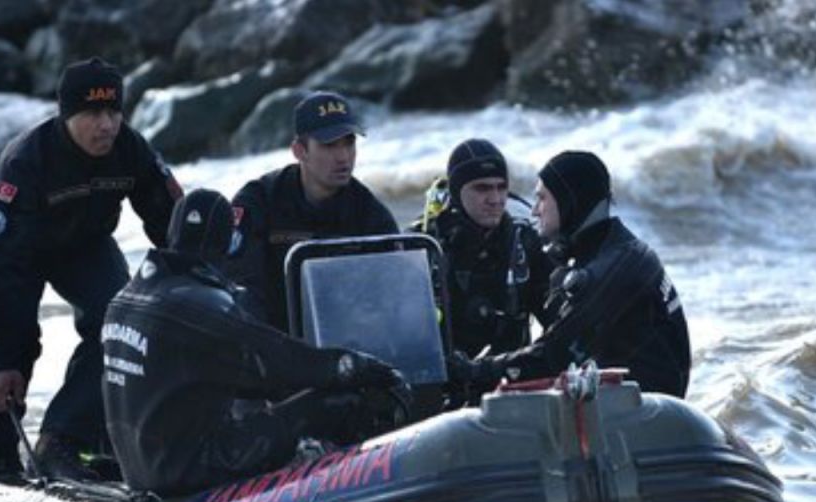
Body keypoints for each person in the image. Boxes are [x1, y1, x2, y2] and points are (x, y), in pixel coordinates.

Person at [102, 189, 406, 498]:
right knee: (338, 401)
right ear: (226, 240)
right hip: (191, 470)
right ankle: (370, 487)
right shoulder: (202, 307)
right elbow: (283, 365)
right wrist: (357, 367)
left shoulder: (124, 299)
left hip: (144, 470)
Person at [0, 57, 183, 484]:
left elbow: (173, 223)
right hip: (17, 251)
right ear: (66, 115)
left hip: (85, 245)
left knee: (119, 322)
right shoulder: (25, 163)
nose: (106, 125)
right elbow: (0, 277)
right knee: (15, 346)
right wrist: (3, 361)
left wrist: (200, 288)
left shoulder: (130, 148)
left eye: (114, 112)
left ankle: (65, 441)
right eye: (93, 114)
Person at [450, 150, 691, 398]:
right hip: (635, 397)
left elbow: (551, 356)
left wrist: (472, 370)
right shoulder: (614, 248)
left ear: (569, 201)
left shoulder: (607, 271)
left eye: (542, 198)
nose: (534, 211)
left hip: (645, 408)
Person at [225, 90, 398, 331]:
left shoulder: (370, 213)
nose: (343, 157)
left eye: (349, 143)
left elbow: (393, 292)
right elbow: (239, 288)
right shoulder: (257, 201)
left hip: (349, 337)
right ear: (300, 151)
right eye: (329, 145)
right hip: (273, 338)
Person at [412, 139, 553, 359]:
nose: (495, 199)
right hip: (442, 373)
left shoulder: (524, 241)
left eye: (501, 187)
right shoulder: (423, 246)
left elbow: (557, 320)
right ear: (457, 190)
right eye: (482, 188)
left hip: (511, 373)